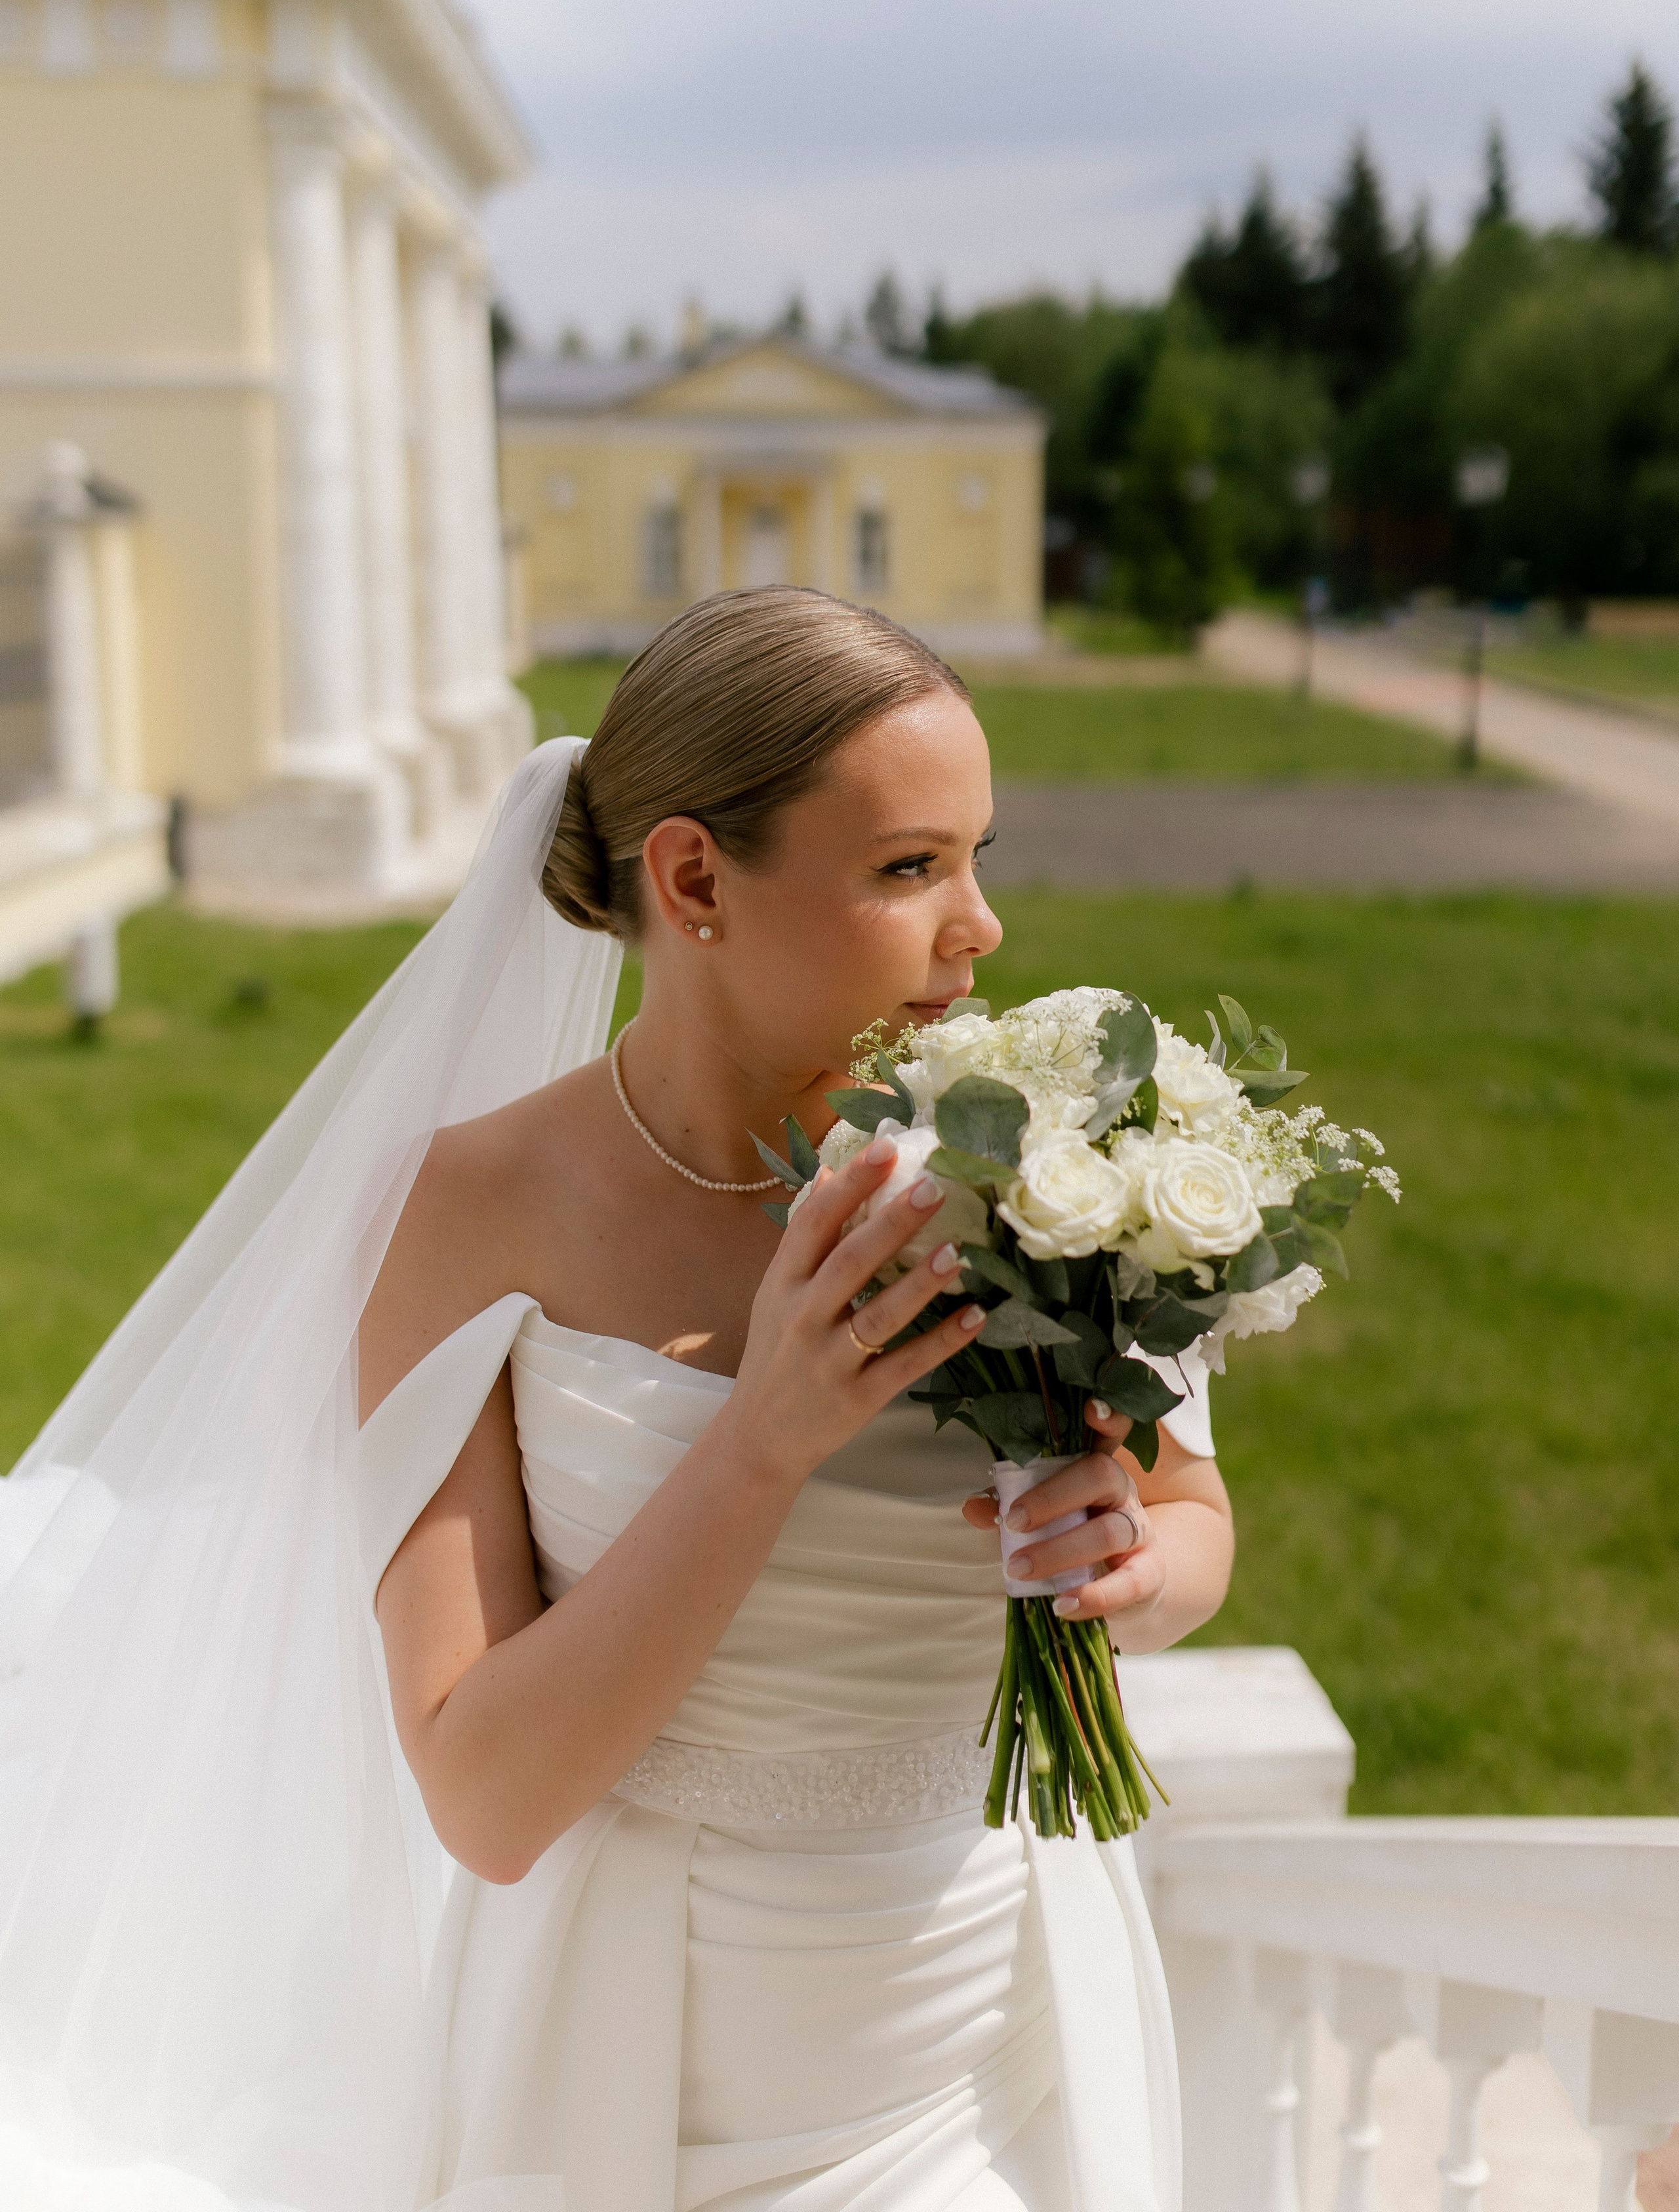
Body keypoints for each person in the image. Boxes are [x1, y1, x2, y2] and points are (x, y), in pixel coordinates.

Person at [0, 587, 1232, 2212]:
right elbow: (486, 1799)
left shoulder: (1038, 1160)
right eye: (907, 866)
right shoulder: (466, 1214)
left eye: (976, 853)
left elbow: (1187, 1516)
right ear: (695, 877)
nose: (980, 925)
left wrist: (1135, 1579)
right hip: (632, 2063)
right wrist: (759, 1444)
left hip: (988, 2021)